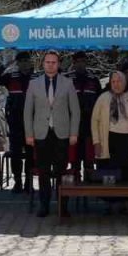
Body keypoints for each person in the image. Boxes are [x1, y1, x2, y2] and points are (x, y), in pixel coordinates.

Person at [24, 51, 81, 218]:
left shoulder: (68, 83)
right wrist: (29, 134)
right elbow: (28, 111)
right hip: (41, 133)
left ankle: (63, 206)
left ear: (59, 64)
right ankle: (44, 205)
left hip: (62, 133)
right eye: (48, 62)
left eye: (54, 62)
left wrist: (73, 133)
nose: (50, 65)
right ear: (43, 64)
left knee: (61, 172)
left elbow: (75, 111)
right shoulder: (33, 84)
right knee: (43, 172)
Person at [91, 70, 128, 212]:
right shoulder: (103, 98)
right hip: (109, 140)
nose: (116, 84)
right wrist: (96, 142)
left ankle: (127, 203)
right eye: (113, 82)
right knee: (109, 173)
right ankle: (110, 203)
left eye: (119, 81)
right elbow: (94, 121)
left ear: (125, 82)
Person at [0, 50, 34, 193]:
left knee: (30, 154)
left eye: (26, 61)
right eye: (21, 62)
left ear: (30, 62)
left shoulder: (37, 76)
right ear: (18, 63)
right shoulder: (11, 76)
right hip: (15, 122)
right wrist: (6, 65)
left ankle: (29, 181)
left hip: (33, 122)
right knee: (15, 154)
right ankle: (18, 182)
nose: (24, 64)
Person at [66, 52, 102, 181]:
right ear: (73, 63)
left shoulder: (93, 79)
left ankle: (89, 181)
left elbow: (100, 101)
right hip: (71, 125)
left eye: (83, 61)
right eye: (78, 61)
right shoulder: (65, 79)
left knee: (89, 156)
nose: (80, 64)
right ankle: (75, 178)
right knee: (73, 156)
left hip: (89, 125)